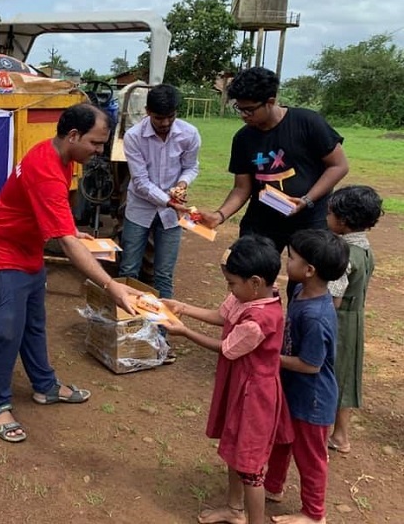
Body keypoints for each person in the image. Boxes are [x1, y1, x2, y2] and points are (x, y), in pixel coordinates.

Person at [0, 103, 141, 443]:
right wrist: (111, 285)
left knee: (34, 325)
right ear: (73, 135)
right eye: (95, 143)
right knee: (6, 333)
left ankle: (45, 386)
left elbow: (55, 218)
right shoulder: (46, 169)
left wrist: (70, 230)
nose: (99, 152)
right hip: (3, 255)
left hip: (29, 252)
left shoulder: (62, 158)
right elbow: (65, 243)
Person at [162, 235, 289, 524]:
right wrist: (181, 307)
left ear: (255, 282)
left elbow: (227, 347)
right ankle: (234, 509)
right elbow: (222, 316)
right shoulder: (254, 296)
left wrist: (185, 332)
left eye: (232, 283)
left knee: (251, 466)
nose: (229, 288)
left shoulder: (259, 321)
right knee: (236, 449)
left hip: (254, 395)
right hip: (240, 386)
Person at [201, 67, 349, 299]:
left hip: (307, 220)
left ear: (270, 101)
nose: (244, 115)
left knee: (304, 284)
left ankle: (295, 331)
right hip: (262, 221)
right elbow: (242, 188)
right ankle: (253, 328)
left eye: (249, 110)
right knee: (246, 274)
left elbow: (338, 165)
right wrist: (219, 216)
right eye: (239, 108)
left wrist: (306, 199)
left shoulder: (307, 123)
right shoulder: (243, 139)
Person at [264, 229, 349, 524]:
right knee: (281, 440)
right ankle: (272, 487)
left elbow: (311, 364)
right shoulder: (301, 293)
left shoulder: (316, 316)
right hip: (293, 391)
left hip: (312, 400)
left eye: (292, 258)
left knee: (310, 457)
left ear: (309, 270)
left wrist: (270, 358)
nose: (287, 262)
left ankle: (314, 514)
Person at [118, 83, 200, 300]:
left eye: (170, 117)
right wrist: (170, 202)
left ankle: (162, 331)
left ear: (176, 112)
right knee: (128, 270)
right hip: (140, 209)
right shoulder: (134, 136)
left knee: (163, 274)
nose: (164, 123)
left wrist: (182, 183)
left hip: (171, 216)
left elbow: (191, 166)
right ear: (147, 112)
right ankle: (127, 325)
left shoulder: (189, 134)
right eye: (158, 118)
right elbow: (140, 182)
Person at [325, 185, 383, 455]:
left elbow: (333, 297)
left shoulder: (344, 255)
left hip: (338, 321)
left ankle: (327, 432)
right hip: (355, 319)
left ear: (343, 221)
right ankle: (340, 435)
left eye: (330, 214)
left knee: (330, 374)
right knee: (346, 375)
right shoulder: (365, 250)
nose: (327, 218)